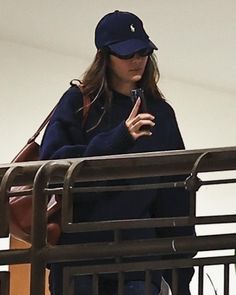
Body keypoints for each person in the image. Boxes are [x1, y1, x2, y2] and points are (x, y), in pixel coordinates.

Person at [40, 10, 195, 295]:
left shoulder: (160, 112)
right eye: (126, 53)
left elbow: (175, 193)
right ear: (105, 56)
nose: (137, 60)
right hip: (79, 257)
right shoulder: (79, 100)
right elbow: (50, 167)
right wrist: (119, 138)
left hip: (140, 259)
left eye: (144, 51)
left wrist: (181, 271)